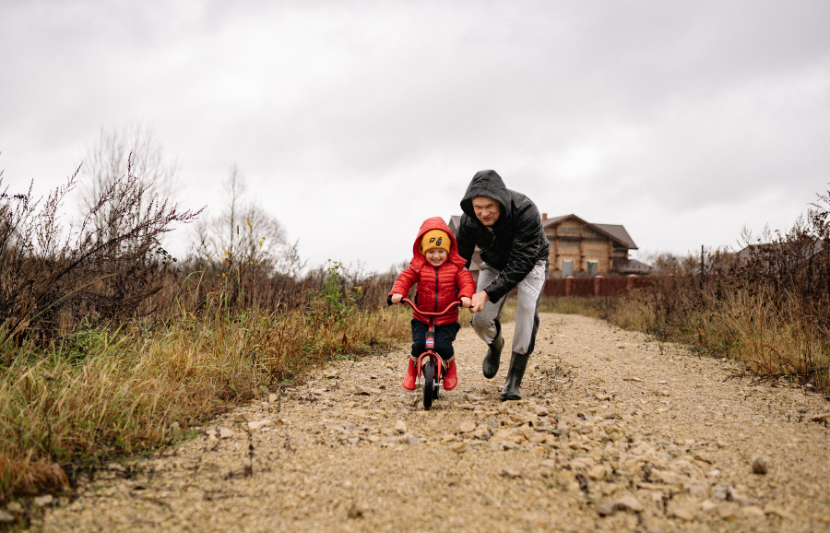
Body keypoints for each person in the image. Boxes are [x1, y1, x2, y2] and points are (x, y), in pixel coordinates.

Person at [456, 170, 550, 401]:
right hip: (494, 263)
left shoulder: (526, 211)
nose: (483, 212)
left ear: (500, 201)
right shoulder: (469, 220)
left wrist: (487, 293)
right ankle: (495, 345)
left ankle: (513, 380)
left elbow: (521, 262)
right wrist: (452, 289)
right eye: (478, 207)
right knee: (479, 319)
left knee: (526, 312)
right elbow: (459, 260)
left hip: (530, 262)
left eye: (489, 206)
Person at [389, 217, 476, 391]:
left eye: (440, 251)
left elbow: (467, 281)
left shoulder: (456, 268)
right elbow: (405, 278)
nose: (436, 256)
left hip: (447, 319)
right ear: (423, 251)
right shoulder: (418, 267)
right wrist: (398, 293)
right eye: (431, 252)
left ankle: (450, 368)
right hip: (421, 317)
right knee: (419, 345)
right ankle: (412, 370)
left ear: (448, 250)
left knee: (443, 345)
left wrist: (466, 296)